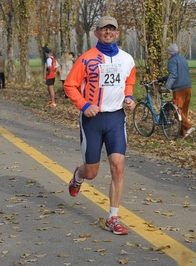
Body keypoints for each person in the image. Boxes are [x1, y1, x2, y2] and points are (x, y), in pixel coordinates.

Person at [64, 16, 136, 235]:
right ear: (96, 33)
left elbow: (129, 81)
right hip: (92, 120)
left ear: (118, 32)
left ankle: (113, 217)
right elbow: (70, 85)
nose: (108, 32)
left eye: (112, 29)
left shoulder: (127, 59)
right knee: (92, 172)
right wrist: (84, 105)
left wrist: (130, 97)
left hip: (115, 118)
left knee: (118, 167)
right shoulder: (86, 59)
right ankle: (79, 175)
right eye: (104, 29)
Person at [158, 44, 195, 138]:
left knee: (176, 110)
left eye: (167, 53)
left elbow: (173, 75)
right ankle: (182, 133)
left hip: (179, 89)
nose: (167, 55)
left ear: (170, 53)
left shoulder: (172, 61)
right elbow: (178, 73)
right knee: (183, 110)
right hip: (188, 87)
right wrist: (163, 78)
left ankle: (188, 127)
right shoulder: (182, 59)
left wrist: (167, 88)